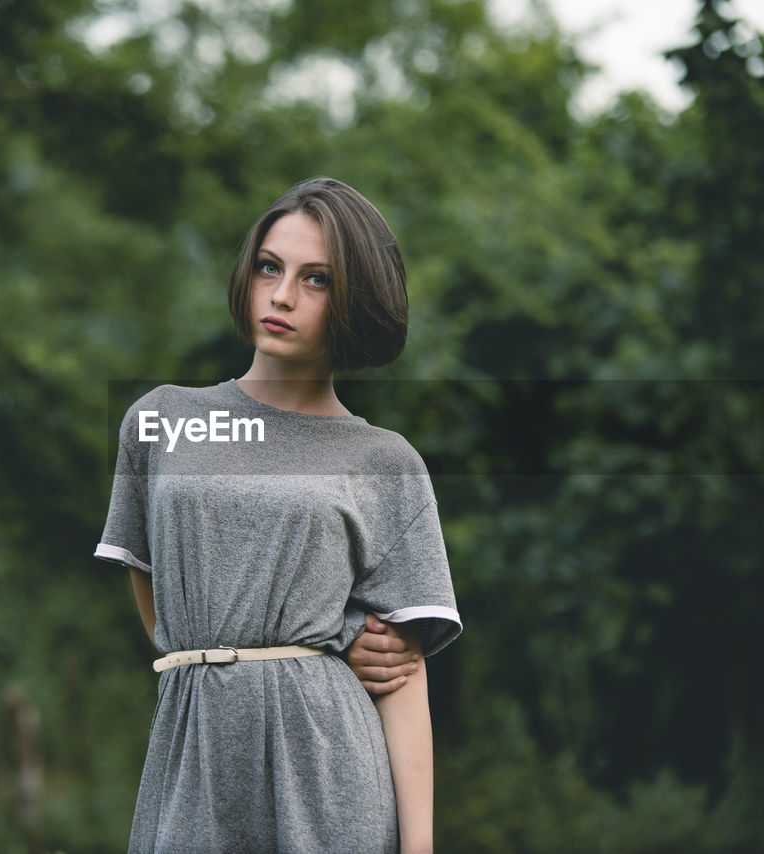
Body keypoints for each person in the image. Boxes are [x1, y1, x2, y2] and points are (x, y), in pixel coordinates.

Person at [95, 177, 461, 853]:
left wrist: (419, 850)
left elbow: (404, 672)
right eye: (270, 266)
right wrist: (218, 655)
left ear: (354, 300)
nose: (283, 295)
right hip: (192, 755)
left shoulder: (384, 461)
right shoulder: (162, 420)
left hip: (330, 775)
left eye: (317, 279)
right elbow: (150, 581)